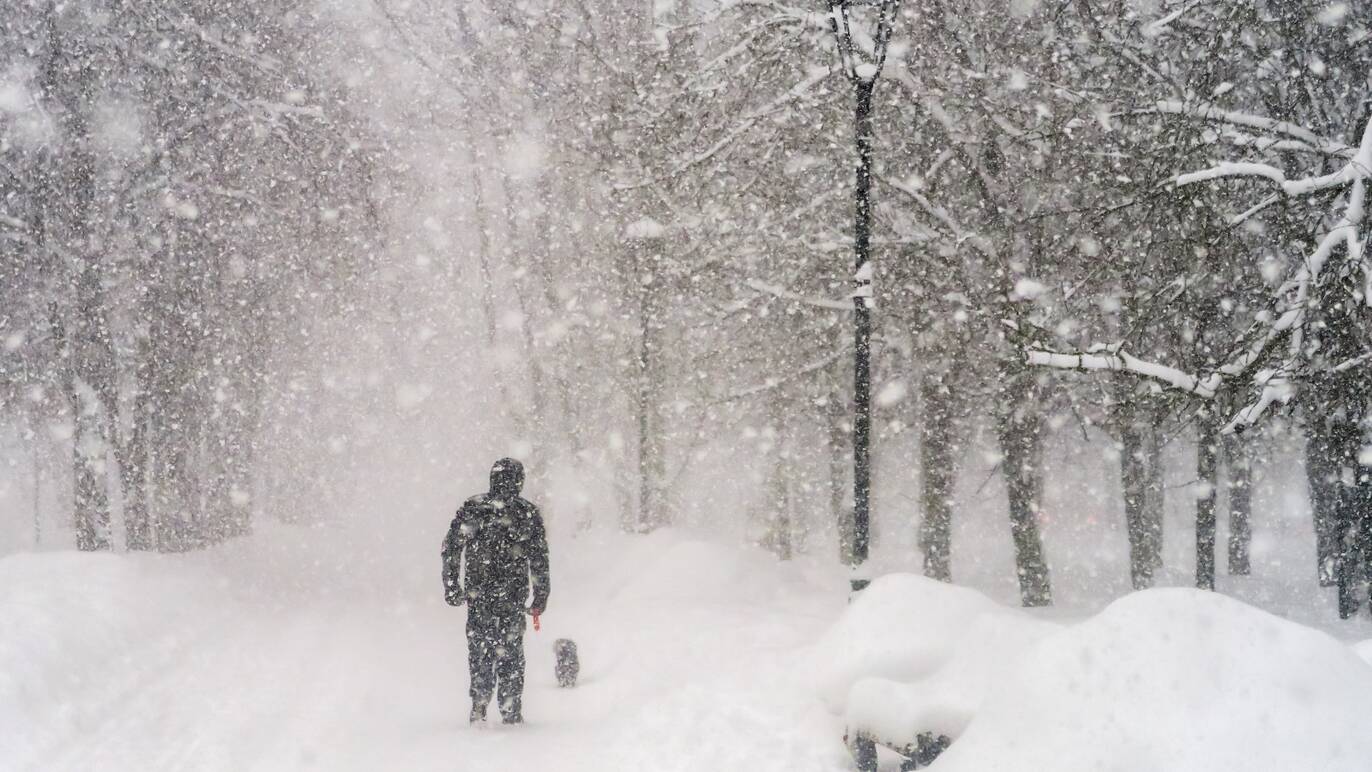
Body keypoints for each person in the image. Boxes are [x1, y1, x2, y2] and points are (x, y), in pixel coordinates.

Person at [441, 457, 551, 724]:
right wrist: (540, 596)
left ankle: (480, 704)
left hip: (479, 596)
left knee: (481, 652)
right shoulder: (526, 513)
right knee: (511, 655)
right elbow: (539, 559)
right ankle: (510, 710)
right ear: (519, 481)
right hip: (512, 598)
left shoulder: (474, 508)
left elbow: (452, 549)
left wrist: (453, 585)